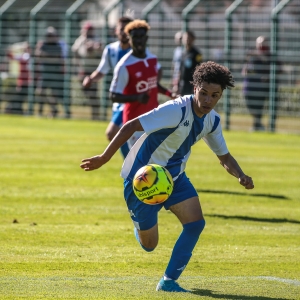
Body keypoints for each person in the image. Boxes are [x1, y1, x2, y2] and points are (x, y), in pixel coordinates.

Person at [80, 61, 254, 293]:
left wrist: (240, 175)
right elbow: (130, 126)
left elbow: (224, 157)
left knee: (195, 224)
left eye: (215, 95)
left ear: (221, 95)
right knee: (150, 245)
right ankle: (140, 228)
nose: (207, 100)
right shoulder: (175, 110)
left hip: (174, 178)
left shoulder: (212, 121)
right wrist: (103, 158)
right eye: (203, 93)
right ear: (195, 88)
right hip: (143, 179)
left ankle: (168, 282)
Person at [109, 19, 174, 149]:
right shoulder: (124, 65)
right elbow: (113, 95)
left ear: (146, 38)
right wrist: (137, 98)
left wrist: (170, 94)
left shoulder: (152, 59)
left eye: (141, 37)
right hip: (134, 124)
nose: (138, 40)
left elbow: (153, 84)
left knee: (157, 163)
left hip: (154, 119)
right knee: (142, 166)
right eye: (135, 37)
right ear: (129, 39)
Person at [82, 16, 133, 158]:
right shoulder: (111, 50)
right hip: (118, 98)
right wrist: (91, 78)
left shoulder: (137, 51)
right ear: (116, 30)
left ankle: (132, 165)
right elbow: (101, 70)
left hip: (133, 98)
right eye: (121, 28)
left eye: (127, 29)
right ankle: (133, 164)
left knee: (113, 132)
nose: (124, 32)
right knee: (119, 134)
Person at [242, 36, 279, 131]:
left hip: (262, 88)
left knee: (259, 106)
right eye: (259, 43)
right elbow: (245, 70)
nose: (261, 45)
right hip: (249, 87)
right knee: (250, 105)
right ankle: (257, 124)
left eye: (263, 43)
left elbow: (279, 68)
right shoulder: (252, 55)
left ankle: (258, 125)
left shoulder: (270, 56)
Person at [72, 22, 102, 120]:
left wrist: (94, 47)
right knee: (85, 91)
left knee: (93, 94)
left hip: (93, 70)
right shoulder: (80, 40)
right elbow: (75, 51)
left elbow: (100, 49)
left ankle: (95, 115)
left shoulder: (96, 38)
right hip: (83, 70)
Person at [35, 27, 66, 118]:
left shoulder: (57, 46)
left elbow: (57, 59)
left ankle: (53, 112)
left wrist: (46, 56)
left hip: (55, 73)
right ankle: (44, 111)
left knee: (54, 94)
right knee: (40, 92)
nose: (50, 37)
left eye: (51, 35)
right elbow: (38, 55)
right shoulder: (43, 45)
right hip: (44, 73)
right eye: (48, 35)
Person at [173, 30, 203, 96]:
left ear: (193, 39)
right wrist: (177, 84)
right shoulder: (182, 53)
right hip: (183, 84)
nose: (186, 40)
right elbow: (180, 70)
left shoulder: (197, 54)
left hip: (192, 84)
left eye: (188, 38)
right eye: (185, 38)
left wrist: (197, 84)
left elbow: (200, 70)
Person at [6, 42, 31, 115]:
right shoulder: (23, 56)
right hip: (23, 81)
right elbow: (10, 56)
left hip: (28, 82)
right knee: (20, 97)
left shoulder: (26, 57)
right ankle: (16, 110)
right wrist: (15, 48)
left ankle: (16, 110)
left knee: (20, 97)